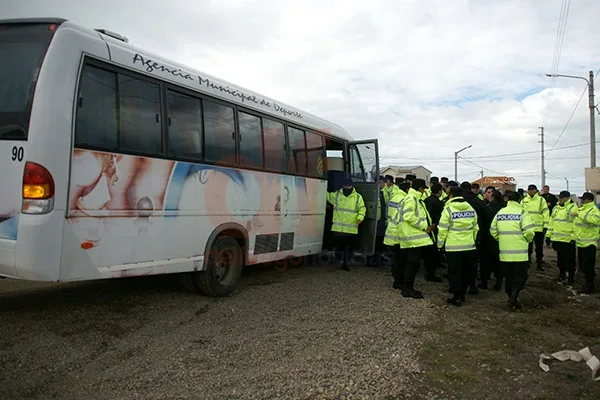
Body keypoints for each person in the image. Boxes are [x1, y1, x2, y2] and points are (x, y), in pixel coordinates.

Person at [490, 191, 535, 310]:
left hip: (505, 253)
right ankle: (513, 298)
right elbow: (529, 232)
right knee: (520, 277)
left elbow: (493, 230)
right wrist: (526, 240)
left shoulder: (501, 212)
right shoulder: (522, 213)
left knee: (508, 277)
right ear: (519, 200)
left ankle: (511, 297)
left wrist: (501, 239)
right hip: (520, 254)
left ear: (507, 200)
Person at [437, 186, 479, 306]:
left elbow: (442, 229)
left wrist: (440, 245)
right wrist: (472, 240)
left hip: (453, 247)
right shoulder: (471, 209)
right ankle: (463, 295)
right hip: (469, 246)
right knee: (466, 271)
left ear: (451, 196)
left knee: (455, 272)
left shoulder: (448, 210)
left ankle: (457, 297)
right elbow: (476, 228)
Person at [398, 178, 434, 298]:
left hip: (412, 237)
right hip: (413, 237)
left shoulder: (415, 199)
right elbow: (408, 216)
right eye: (423, 189)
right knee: (412, 264)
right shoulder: (412, 199)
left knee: (411, 264)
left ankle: (407, 287)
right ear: (420, 188)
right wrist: (424, 226)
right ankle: (408, 289)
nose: (424, 191)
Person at [326, 178, 366, 271]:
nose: (347, 187)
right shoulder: (336, 195)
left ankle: (345, 264)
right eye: (345, 185)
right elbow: (327, 196)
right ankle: (341, 260)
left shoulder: (357, 197)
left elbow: (362, 209)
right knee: (339, 246)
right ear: (343, 185)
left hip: (351, 228)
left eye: (348, 185)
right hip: (338, 228)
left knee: (348, 247)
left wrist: (360, 218)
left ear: (352, 186)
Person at [546, 191, 577, 285]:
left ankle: (570, 278)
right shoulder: (556, 208)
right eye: (560, 197)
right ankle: (562, 275)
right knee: (561, 260)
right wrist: (548, 235)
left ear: (567, 198)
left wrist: (573, 237)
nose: (560, 199)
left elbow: (576, 224)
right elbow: (551, 222)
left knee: (569, 260)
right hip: (557, 239)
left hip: (568, 240)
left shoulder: (573, 208)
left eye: (562, 198)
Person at [572, 192, 600, 294]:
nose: (582, 201)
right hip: (580, 243)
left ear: (589, 200)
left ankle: (590, 285)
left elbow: (594, 221)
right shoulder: (581, 209)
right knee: (583, 266)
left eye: (583, 199)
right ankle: (586, 283)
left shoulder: (594, 210)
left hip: (589, 243)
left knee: (588, 266)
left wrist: (579, 215)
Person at [479, 189, 505, 290]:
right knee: (498, 261)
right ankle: (498, 282)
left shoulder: (488, 208)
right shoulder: (503, 208)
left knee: (485, 261)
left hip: (488, 237)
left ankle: (484, 282)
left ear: (493, 197)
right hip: (501, 237)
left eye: (490, 194)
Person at [521, 184, 550, 270]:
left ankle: (539, 262)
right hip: (527, 228)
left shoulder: (541, 200)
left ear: (536, 190)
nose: (531, 191)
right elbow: (520, 213)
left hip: (538, 229)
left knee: (539, 247)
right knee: (527, 247)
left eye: (532, 190)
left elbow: (545, 213)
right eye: (529, 190)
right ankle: (528, 261)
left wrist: (545, 226)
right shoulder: (523, 201)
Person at [423, 183, 444, 282]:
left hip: (425, 228)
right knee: (433, 253)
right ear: (439, 191)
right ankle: (431, 274)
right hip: (434, 229)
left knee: (427, 251)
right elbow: (439, 217)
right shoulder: (438, 203)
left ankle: (427, 271)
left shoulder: (425, 200)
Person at [369, 176, 389, 266]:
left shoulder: (383, 192)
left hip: (382, 220)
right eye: (382, 182)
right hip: (376, 220)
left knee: (380, 240)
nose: (383, 184)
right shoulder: (374, 193)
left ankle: (378, 258)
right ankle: (372, 259)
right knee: (375, 241)